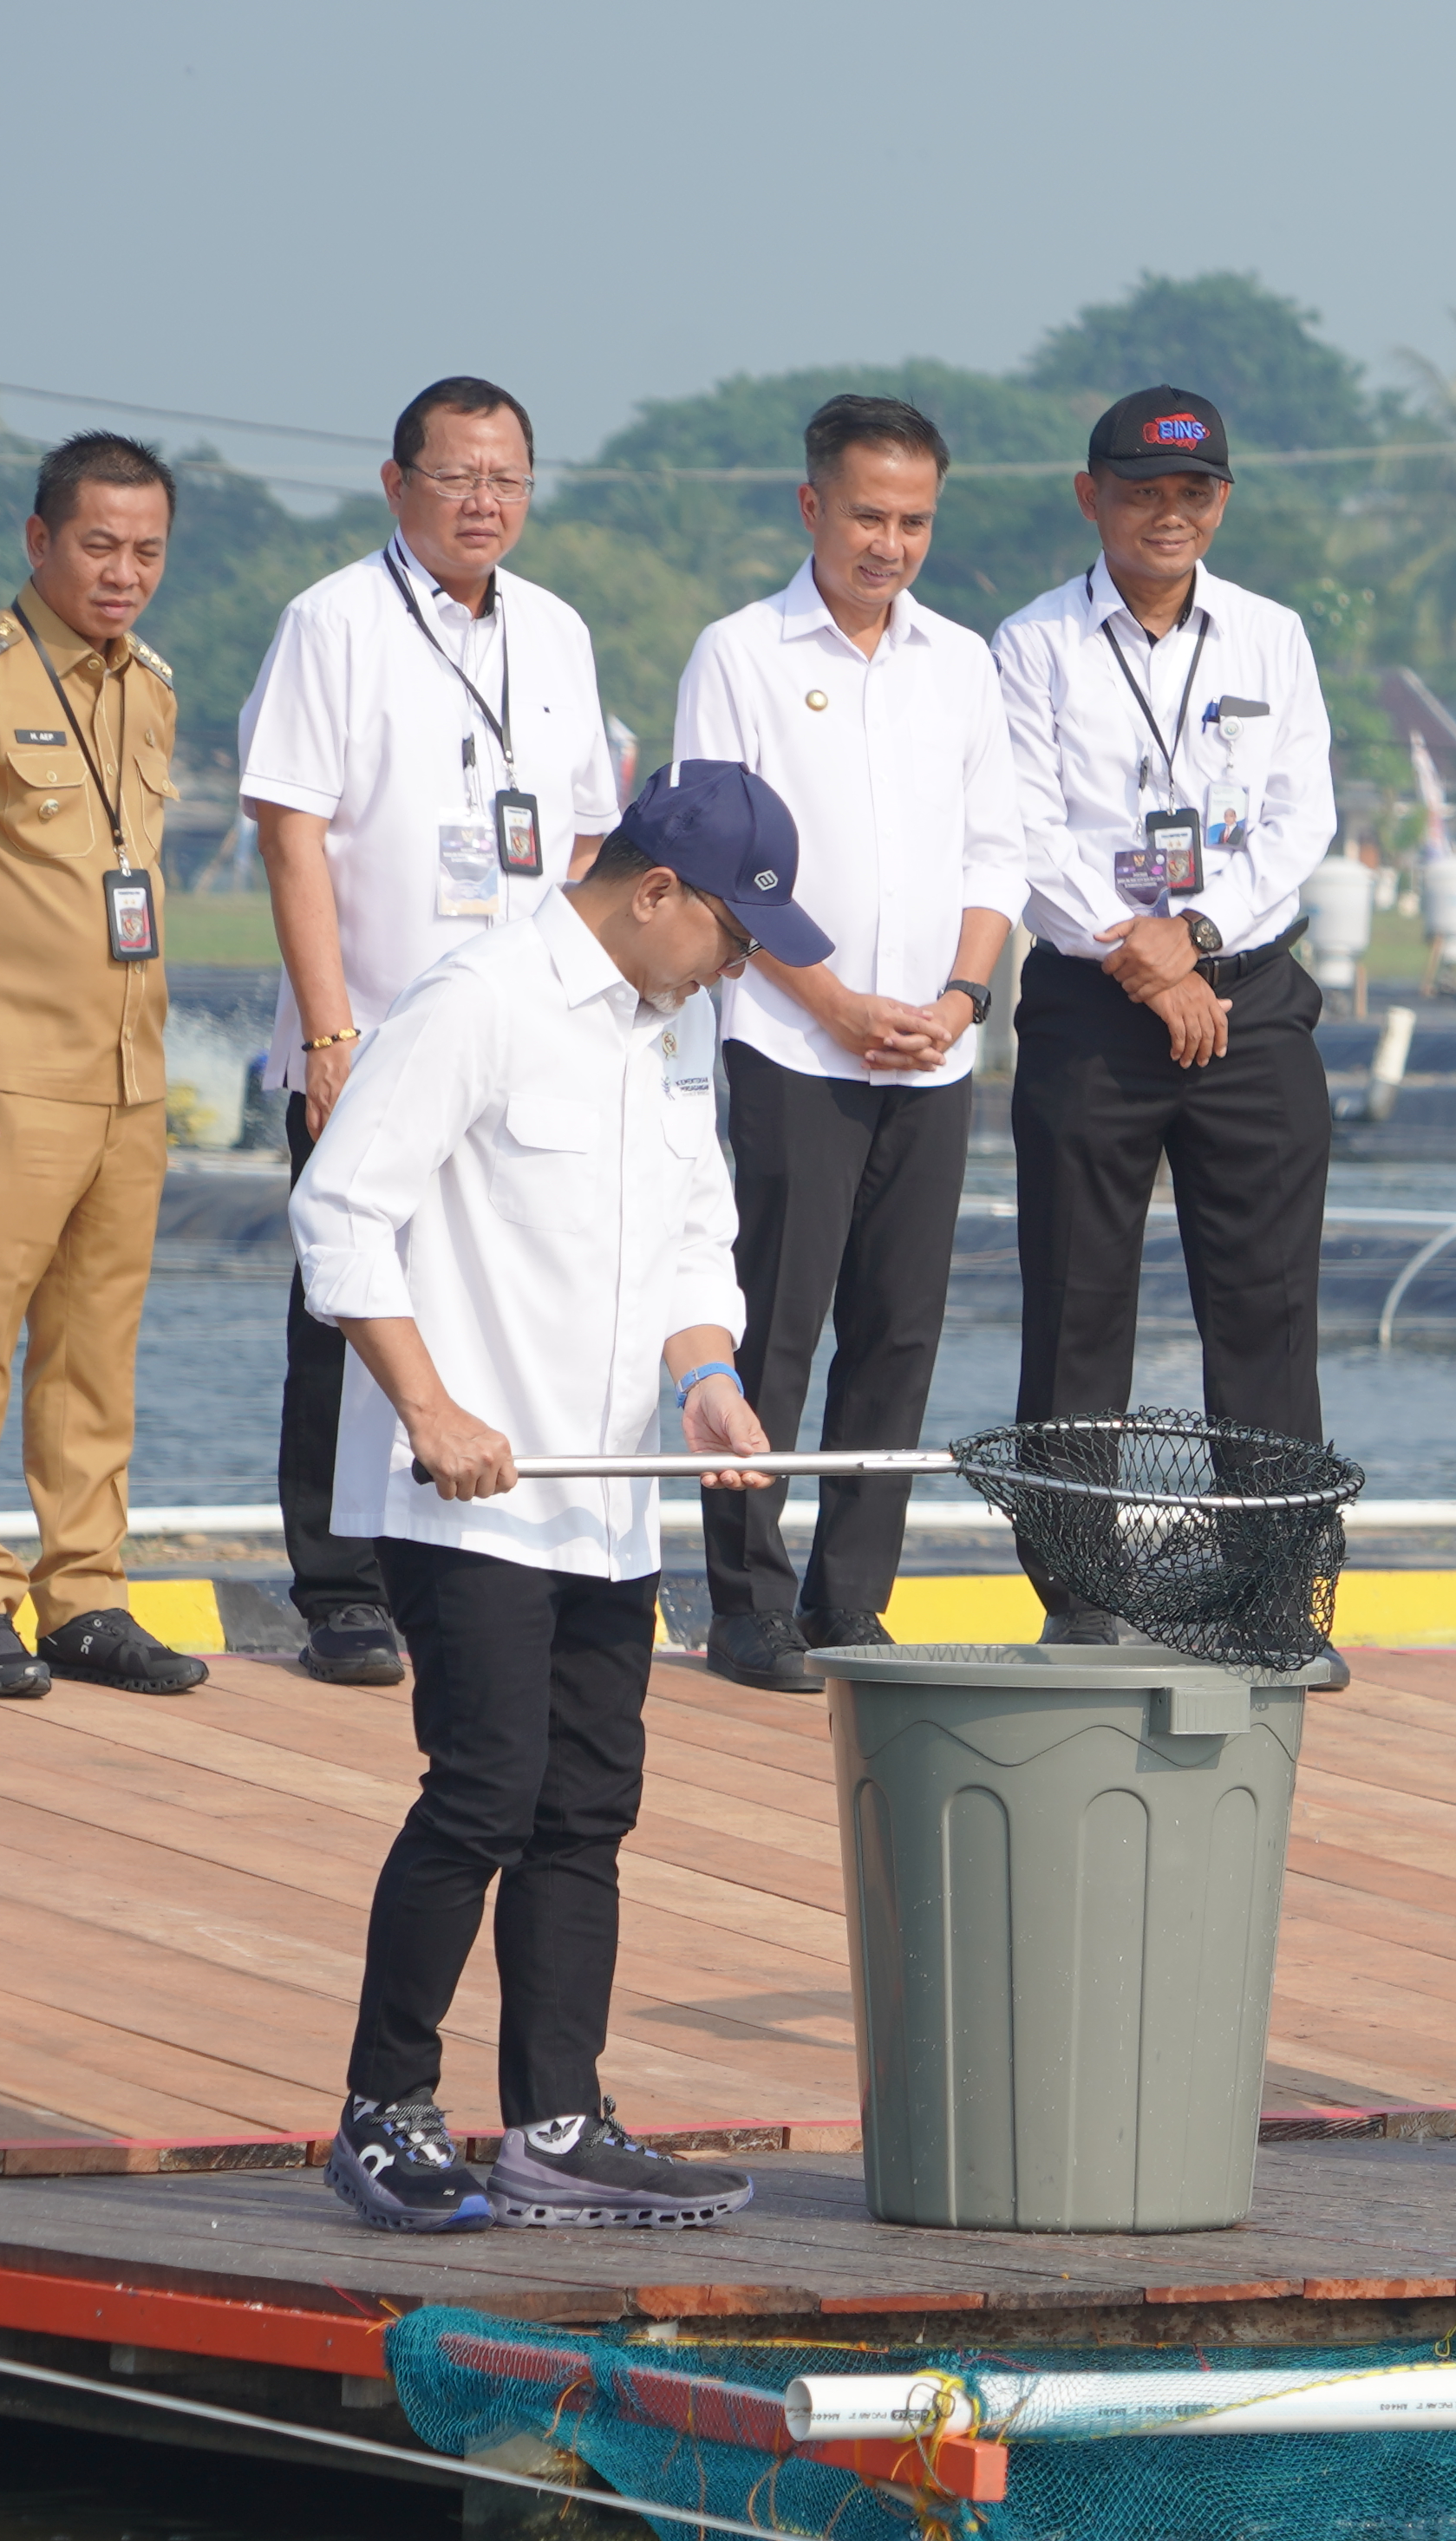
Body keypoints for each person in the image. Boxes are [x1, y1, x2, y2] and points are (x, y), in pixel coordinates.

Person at [290, 761, 810, 2236]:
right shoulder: (481, 1002)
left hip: (606, 1496)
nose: (742, 965)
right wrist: (431, 1406)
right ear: (656, 893)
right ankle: (383, 2110)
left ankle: (557, 2122)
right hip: (468, 1500)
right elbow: (341, 1210)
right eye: (734, 933)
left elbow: (692, 1244)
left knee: (590, 1804)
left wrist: (706, 1377)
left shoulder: (678, 1028)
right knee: (483, 1795)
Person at [239, 375, 624, 1689]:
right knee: (341, 1297)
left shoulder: (558, 632)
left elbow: (581, 833)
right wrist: (328, 1037)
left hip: (520, 1044)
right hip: (380, 1031)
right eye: (456, 476)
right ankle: (338, 1590)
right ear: (397, 482)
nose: (482, 502)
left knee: (501, 1291)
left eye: (507, 479)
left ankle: (477, 1553)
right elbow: (290, 828)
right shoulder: (334, 623)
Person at [669, 393, 1024, 1691]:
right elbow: (719, 861)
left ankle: (851, 1597)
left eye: (915, 520)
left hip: (935, 1049)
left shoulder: (963, 662)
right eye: (868, 514)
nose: (890, 543)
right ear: (812, 506)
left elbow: (999, 851)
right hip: (789, 1045)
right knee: (769, 1330)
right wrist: (832, 1001)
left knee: (900, 1330)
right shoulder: (743, 653)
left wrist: (961, 1001)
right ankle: (747, 1600)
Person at [989, 387, 1337, 1666]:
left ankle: (1272, 1599)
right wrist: (1141, 962)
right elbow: (1020, 833)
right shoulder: (1029, 647)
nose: (1167, 513)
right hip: (1092, 1005)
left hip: (1250, 995)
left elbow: (1302, 824)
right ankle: (1079, 1589)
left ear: (1223, 502)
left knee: (1267, 1311)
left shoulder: (1271, 638)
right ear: (1092, 497)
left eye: (1192, 493)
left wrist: (1188, 944)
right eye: (1140, 491)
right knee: (1080, 1304)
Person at [0, 431, 212, 1704]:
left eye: (146, 551)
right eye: (97, 545)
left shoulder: (151, 686)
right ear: (39, 541)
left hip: (128, 1069)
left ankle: (84, 1592)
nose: (122, 573)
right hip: (6, 1073)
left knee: (94, 1344)